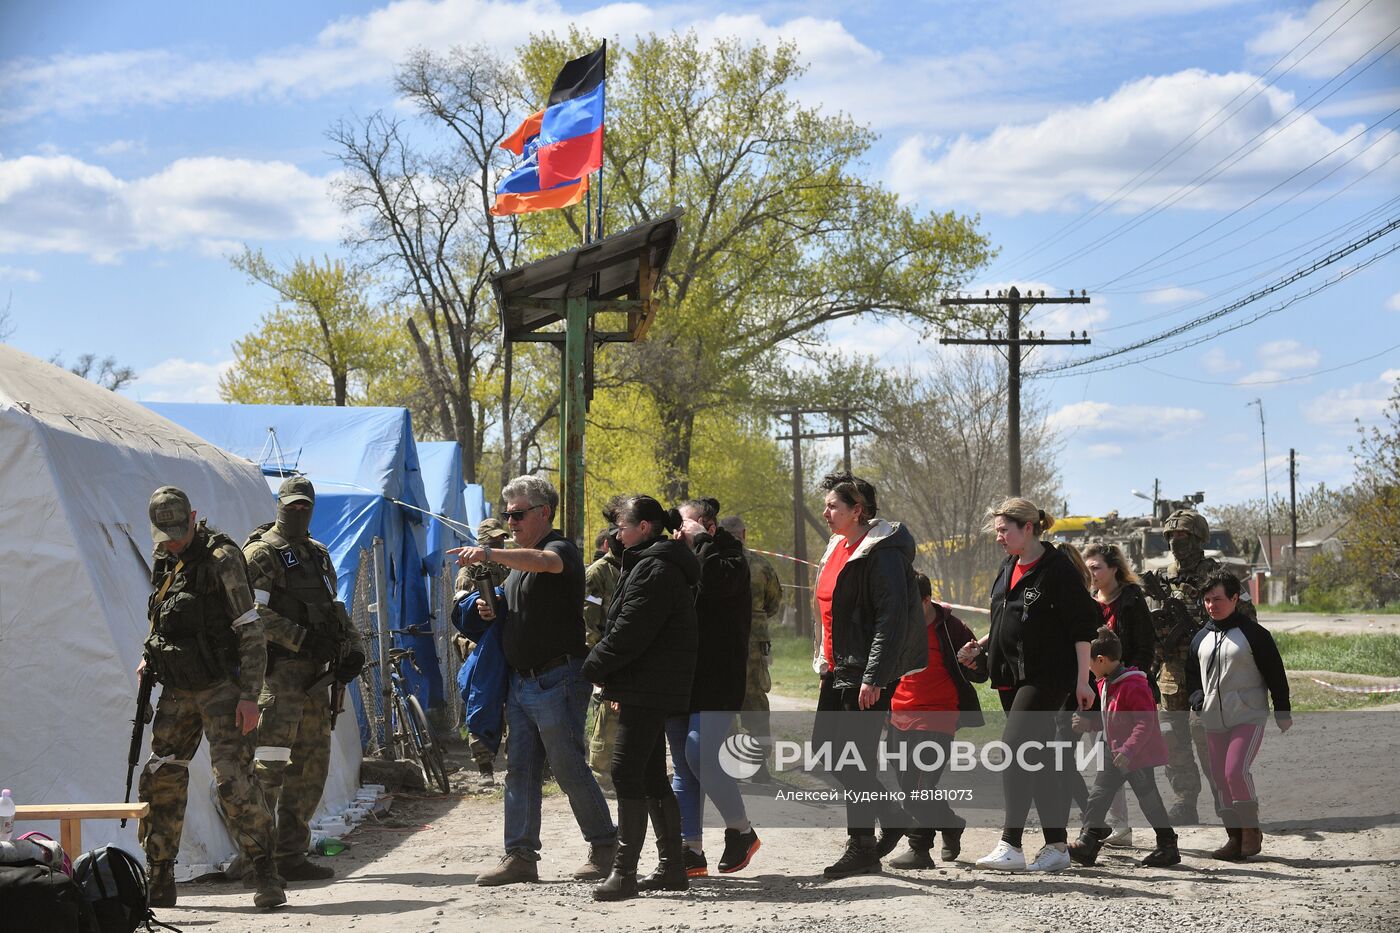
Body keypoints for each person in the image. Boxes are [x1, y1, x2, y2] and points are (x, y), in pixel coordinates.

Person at [452, 476, 617, 885]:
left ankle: (604, 845)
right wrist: (490, 610)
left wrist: (491, 552)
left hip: (557, 677)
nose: (510, 521)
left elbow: (544, 564)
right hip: (522, 682)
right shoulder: (517, 564)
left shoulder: (560, 549)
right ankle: (520, 855)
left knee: (567, 766)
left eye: (518, 514)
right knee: (520, 769)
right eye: (507, 514)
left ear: (543, 512)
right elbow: (518, 603)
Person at [138, 487, 284, 909]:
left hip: (223, 687)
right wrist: (148, 655)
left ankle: (265, 872)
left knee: (234, 782)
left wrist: (250, 697)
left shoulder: (223, 559)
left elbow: (251, 629)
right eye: (165, 532)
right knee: (161, 775)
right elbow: (162, 618)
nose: (173, 539)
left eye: (179, 530)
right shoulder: (165, 555)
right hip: (178, 688)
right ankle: (160, 874)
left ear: (194, 517)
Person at [962, 498, 1098, 873]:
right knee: (1036, 760)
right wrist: (983, 646)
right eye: (997, 531)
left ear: (1029, 528)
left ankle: (1011, 844)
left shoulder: (1057, 570)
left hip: (1047, 676)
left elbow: (1083, 630)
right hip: (1010, 676)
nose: (999, 538)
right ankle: (1057, 846)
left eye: (1004, 530)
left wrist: (1083, 681)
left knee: (1014, 750)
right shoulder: (1009, 566)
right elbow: (1008, 617)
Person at [241, 476, 365, 882]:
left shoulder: (317, 554)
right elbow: (249, 613)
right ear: (279, 506)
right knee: (268, 770)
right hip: (277, 680)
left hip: (315, 682)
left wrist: (351, 646)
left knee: (311, 768)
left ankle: (290, 854)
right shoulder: (261, 554)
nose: (296, 513)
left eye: (303, 507)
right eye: (290, 506)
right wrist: (302, 640)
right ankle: (256, 858)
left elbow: (333, 606)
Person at [581, 496, 700, 901]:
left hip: (649, 685)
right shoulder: (649, 563)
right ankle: (671, 868)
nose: (617, 531)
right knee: (647, 774)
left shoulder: (655, 568)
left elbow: (630, 632)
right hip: (645, 684)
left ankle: (624, 873)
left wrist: (592, 669)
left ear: (645, 527)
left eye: (623, 525)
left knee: (625, 771)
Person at [810, 471, 926, 879]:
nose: (825, 512)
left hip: (866, 672)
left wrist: (874, 676)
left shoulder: (883, 551)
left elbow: (890, 618)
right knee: (827, 752)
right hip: (838, 668)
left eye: (832, 506)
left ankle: (861, 845)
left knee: (853, 757)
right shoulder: (839, 545)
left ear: (858, 510)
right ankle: (893, 815)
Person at [665, 497, 761, 877]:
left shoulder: (729, 557)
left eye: (686, 524)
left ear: (709, 525)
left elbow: (720, 584)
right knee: (683, 768)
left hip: (718, 677)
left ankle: (741, 830)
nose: (678, 530)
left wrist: (700, 541)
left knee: (700, 752)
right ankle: (691, 849)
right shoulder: (675, 556)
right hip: (679, 678)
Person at [1149, 508, 1255, 825]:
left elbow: (1248, 624)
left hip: (1209, 676)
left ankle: (1228, 801)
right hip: (1169, 676)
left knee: (1209, 741)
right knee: (1173, 741)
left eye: (1183, 535)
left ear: (1199, 539)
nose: (1176, 541)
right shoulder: (1160, 578)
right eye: (1171, 536)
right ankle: (1185, 800)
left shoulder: (1220, 577)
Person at [882, 571, 986, 869]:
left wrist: (974, 659)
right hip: (898, 715)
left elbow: (980, 672)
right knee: (908, 787)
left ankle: (919, 848)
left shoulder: (952, 627)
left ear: (926, 600)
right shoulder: (897, 626)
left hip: (938, 717)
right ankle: (951, 824)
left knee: (920, 789)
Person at [1186, 571, 1291, 861]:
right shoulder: (1200, 638)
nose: (1211, 605)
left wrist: (1283, 709)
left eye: (1217, 599)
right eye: (1206, 600)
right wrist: (1197, 700)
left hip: (1249, 716)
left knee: (1235, 771)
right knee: (1219, 778)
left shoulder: (1255, 634)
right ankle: (1234, 838)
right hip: (1212, 720)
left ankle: (1250, 830)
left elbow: (1275, 672)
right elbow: (1192, 677)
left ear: (1234, 598)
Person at [1066, 627, 1178, 868]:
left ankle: (1168, 846)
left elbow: (1145, 723)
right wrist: (1089, 723)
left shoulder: (1133, 685)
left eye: (1089, 663)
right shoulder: (1107, 682)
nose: (1087, 669)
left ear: (1101, 660)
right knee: (1097, 797)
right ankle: (1087, 844)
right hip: (1114, 751)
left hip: (1135, 756)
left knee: (1149, 801)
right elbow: (1111, 719)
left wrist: (1128, 750)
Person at [1079, 541, 1158, 847]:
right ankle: (1119, 826)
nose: (1092, 574)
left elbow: (1144, 646)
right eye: (1088, 569)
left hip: (1128, 692)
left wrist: (1128, 680)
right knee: (1104, 759)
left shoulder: (1131, 599)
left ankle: (1164, 835)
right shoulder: (1088, 602)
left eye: (1097, 567)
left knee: (1131, 760)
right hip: (1097, 691)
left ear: (1114, 568)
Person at [719, 515, 783, 781]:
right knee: (755, 700)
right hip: (754, 642)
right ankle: (759, 767)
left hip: (722, 640)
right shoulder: (761, 565)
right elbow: (773, 604)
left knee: (722, 700)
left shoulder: (714, 564)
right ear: (743, 534)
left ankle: (727, 763)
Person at [456, 517, 512, 783]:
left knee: (513, 703)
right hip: (478, 646)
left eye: (501, 539)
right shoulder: (469, 571)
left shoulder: (510, 565)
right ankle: (484, 767)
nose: (499, 542)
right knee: (481, 701)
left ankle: (518, 761)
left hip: (505, 642)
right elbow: (464, 610)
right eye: (493, 539)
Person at [586, 503, 626, 792]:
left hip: (627, 653)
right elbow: (588, 622)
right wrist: (598, 660)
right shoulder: (598, 573)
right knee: (606, 715)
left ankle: (620, 770)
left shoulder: (632, 567)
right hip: (606, 653)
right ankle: (600, 775)